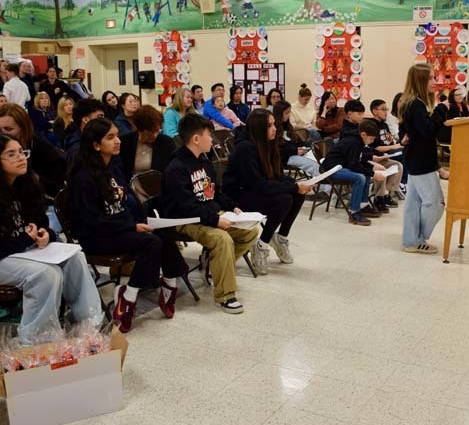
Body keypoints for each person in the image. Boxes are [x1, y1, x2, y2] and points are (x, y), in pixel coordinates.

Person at [0, 133, 103, 344]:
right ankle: (38, 342)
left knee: (75, 257)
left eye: (22, 152)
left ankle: (88, 328)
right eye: (11, 154)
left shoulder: (24, 185)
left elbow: (40, 222)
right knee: (47, 274)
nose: (21, 158)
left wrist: (44, 235)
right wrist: (23, 240)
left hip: (22, 252)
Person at [69, 118, 186, 332]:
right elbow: (91, 222)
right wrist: (132, 228)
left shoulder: (113, 168)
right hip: (98, 236)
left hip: (119, 227)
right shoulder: (83, 177)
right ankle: (128, 296)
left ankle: (170, 282)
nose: (118, 141)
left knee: (165, 232)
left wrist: (140, 222)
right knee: (151, 243)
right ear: (96, 145)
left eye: (117, 135)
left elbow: (126, 203)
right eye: (110, 138)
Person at [161, 114, 258, 314]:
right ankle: (225, 295)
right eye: (209, 135)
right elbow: (186, 206)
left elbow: (216, 191)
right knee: (222, 239)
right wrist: (215, 220)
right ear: (196, 139)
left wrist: (233, 208)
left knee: (249, 231)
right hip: (184, 219)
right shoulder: (176, 167)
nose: (212, 140)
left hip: (205, 212)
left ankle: (215, 268)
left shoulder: (204, 161)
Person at [223, 109, 312, 273]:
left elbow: (276, 176)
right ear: (259, 128)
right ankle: (261, 245)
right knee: (284, 199)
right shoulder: (245, 148)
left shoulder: (268, 144)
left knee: (298, 194)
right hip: (237, 196)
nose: (275, 128)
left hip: (255, 189)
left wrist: (298, 184)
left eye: (274, 124)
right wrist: (293, 186)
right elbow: (259, 184)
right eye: (269, 125)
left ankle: (281, 238)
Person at [399, 63, 446, 254]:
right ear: (421, 80)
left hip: (417, 159)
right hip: (420, 161)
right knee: (435, 203)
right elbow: (427, 130)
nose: (436, 82)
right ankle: (418, 238)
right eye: (432, 78)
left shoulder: (415, 102)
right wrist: (442, 110)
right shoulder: (415, 104)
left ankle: (411, 240)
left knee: (414, 203)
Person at [0, 103, 66, 198]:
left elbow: (57, 188)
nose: (2, 134)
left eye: (8, 129)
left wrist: (33, 177)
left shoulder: (43, 149)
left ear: (23, 128)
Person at [322, 117, 384, 226]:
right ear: (363, 134)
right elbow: (354, 165)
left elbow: (357, 159)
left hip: (342, 166)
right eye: (371, 139)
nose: (372, 141)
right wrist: (373, 173)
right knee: (360, 177)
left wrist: (372, 167)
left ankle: (363, 205)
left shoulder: (358, 140)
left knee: (366, 173)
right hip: (332, 169)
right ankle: (354, 212)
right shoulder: (353, 142)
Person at [118, 104, 176, 182]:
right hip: (131, 189)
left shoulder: (166, 143)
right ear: (139, 129)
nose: (155, 135)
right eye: (150, 132)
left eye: (157, 131)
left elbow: (171, 173)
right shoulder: (125, 142)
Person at [369, 99, 404, 210]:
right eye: (383, 109)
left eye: (386, 109)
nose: (386, 112)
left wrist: (398, 145)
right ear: (374, 111)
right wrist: (393, 147)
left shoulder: (384, 125)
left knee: (398, 165)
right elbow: (375, 147)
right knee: (385, 167)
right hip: (375, 156)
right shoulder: (371, 125)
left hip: (386, 154)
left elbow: (390, 141)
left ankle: (387, 193)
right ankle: (379, 197)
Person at [273, 100, 321, 178]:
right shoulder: (274, 128)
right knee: (313, 166)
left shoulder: (288, 126)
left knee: (319, 161)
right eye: (286, 113)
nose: (289, 115)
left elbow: (295, 141)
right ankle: (324, 187)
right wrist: (295, 150)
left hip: (295, 153)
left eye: (289, 112)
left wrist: (302, 147)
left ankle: (324, 185)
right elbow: (278, 148)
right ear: (279, 113)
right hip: (285, 157)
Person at [64, 99, 105, 164]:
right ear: (85, 120)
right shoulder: (77, 151)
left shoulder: (96, 138)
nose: (105, 121)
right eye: (100, 117)